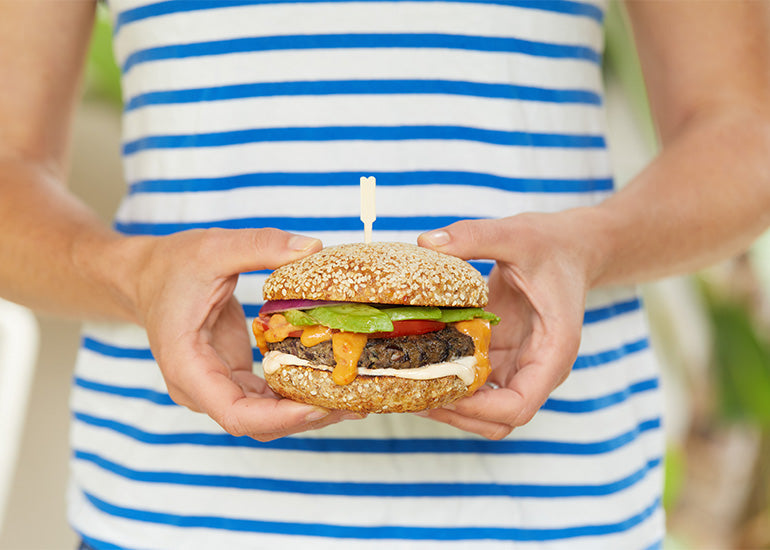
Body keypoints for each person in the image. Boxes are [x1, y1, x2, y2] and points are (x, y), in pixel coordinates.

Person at [1, 0, 769, 548]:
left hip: (557, 510)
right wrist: (133, 272)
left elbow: (745, 131)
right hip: (170, 512)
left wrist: (591, 244)